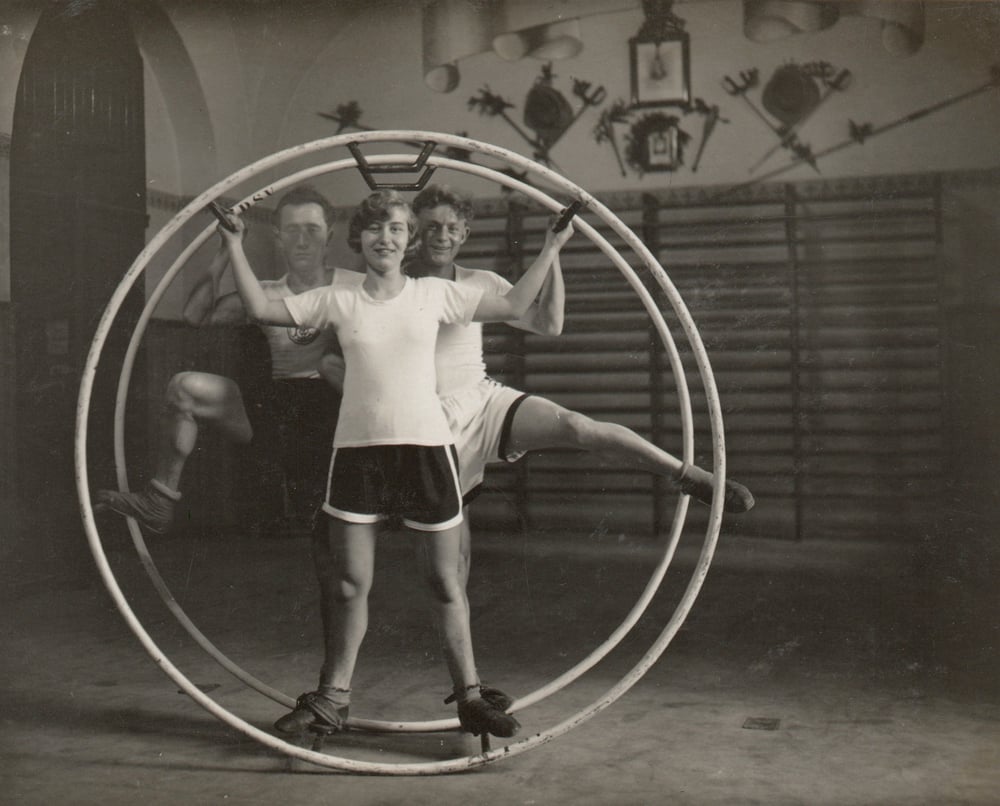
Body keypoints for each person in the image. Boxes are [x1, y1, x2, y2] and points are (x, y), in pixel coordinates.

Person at [220, 189, 574, 741]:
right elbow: (261, 309)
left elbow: (510, 307)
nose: (385, 238)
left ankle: (471, 698)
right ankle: (333, 699)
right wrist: (233, 243)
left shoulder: (435, 292)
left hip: (427, 454)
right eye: (375, 229)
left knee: (443, 581)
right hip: (359, 458)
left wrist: (552, 247)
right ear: (359, 239)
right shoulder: (338, 298)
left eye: (397, 230)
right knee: (347, 584)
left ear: (409, 241)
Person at [401, 184, 754, 585]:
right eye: (431, 228)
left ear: (464, 233)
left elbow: (549, 324)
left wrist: (552, 249)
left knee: (577, 426)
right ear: (415, 230)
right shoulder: (395, 285)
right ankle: (458, 644)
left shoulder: (480, 282)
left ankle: (687, 475)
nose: (442, 237)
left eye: (451, 228)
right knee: (450, 569)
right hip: (429, 422)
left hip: (482, 402)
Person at [94, 185, 345, 537]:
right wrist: (227, 249)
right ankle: (159, 499)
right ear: (277, 237)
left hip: (334, 412)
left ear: (329, 235)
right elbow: (196, 314)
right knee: (185, 387)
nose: (302, 240)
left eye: (312, 230)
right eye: (292, 230)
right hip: (277, 413)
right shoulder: (265, 294)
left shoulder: (355, 287)